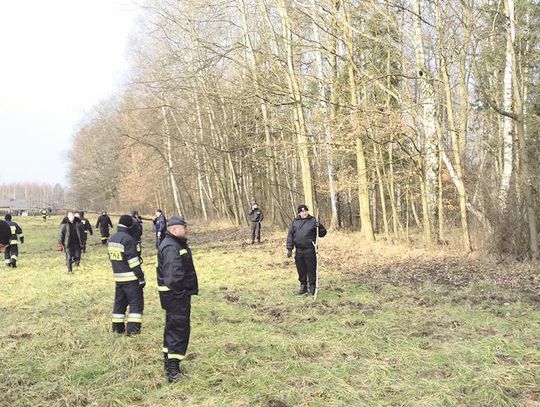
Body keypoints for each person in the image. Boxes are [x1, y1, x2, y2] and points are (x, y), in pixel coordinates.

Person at [157, 215, 199, 382]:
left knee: (173, 329)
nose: (186, 229)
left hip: (175, 296)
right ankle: (173, 371)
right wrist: (182, 293)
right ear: (174, 229)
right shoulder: (171, 247)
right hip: (176, 297)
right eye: (184, 227)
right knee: (178, 331)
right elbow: (173, 277)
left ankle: (170, 362)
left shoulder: (174, 244)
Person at [108, 215, 145, 336]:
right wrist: (141, 277)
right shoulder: (128, 240)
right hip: (131, 278)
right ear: (130, 225)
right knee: (136, 304)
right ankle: (133, 330)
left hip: (118, 277)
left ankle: (117, 328)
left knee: (119, 303)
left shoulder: (112, 239)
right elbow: (133, 262)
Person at [286, 204, 327, 296]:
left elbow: (322, 233)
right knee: (301, 269)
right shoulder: (295, 222)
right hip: (299, 250)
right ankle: (303, 286)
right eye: (302, 211)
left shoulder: (313, 221)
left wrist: (319, 227)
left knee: (311, 269)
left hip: (310, 250)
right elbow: (290, 235)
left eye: (305, 211)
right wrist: (289, 248)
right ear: (299, 213)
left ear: (307, 211)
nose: (304, 213)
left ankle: (312, 286)